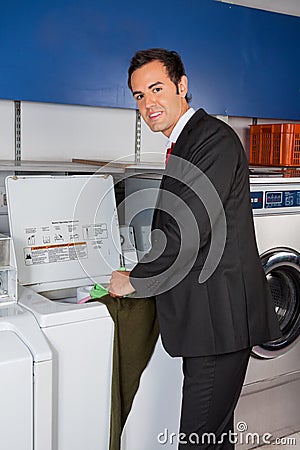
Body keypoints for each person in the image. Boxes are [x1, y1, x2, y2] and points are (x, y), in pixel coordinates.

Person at [108, 48, 281, 449]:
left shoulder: (210, 139)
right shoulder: (187, 141)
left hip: (219, 322)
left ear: (181, 86)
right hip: (211, 318)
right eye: (138, 95)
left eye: (156, 88)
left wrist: (136, 279)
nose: (148, 103)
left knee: (199, 440)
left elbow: (188, 225)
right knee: (213, 436)